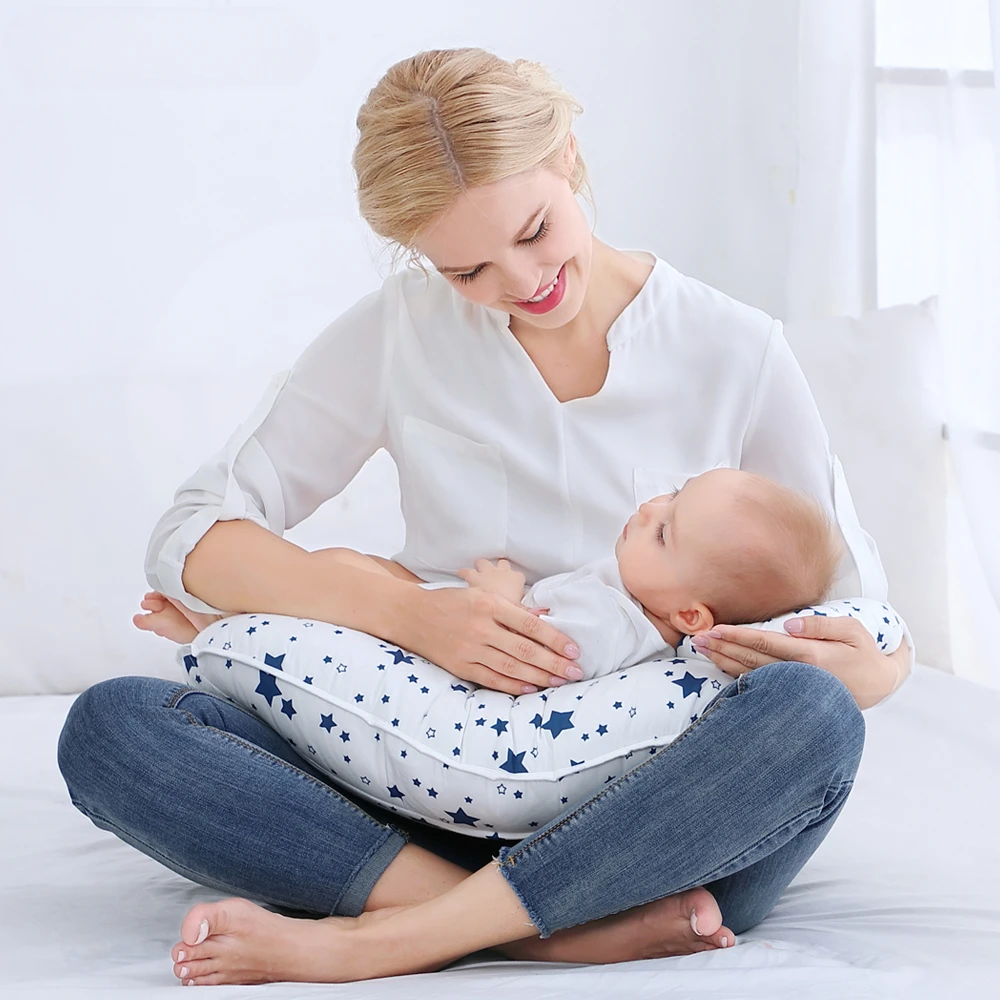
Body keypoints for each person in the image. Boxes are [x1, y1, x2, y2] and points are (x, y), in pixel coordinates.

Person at [56, 47, 914, 987]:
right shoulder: (402, 331)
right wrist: (404, 612)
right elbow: (190, 535)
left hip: (646, 821)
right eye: (468, 269)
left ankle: (387, 936)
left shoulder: (737, 349)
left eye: (536, 229)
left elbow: (854, 608)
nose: (522, 281)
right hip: (409, 793)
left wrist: (872, 669)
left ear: (570, 157)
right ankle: (532, 926)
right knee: (116, 728)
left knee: (813, 722)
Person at [140, 468, 846, 685]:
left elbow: (529, 658)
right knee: (348, 573)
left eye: (666, 528)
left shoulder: (610, 627)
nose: (648, 505)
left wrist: (497, 597)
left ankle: (218, 634)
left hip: (444, 660)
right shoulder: (638, 594)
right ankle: (221, 630)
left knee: (341, 584)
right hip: (436, 625)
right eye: (674, 491)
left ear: (692, 616)